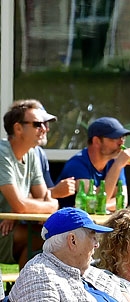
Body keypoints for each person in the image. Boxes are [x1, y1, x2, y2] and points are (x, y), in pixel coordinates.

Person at [7, 207, 130, 302]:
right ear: (72, 241)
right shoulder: (39, 276)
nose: (97, 245)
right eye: (93, 237)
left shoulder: (97, 274)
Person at [1, 100, 75, 265]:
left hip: (13, 228)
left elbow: (46, 200)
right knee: (51, 240)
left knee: (52, 238)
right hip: (4, 228)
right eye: (37, 124)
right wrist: (22, 207)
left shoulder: (31, 154)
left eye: (44, 124)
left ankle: (27, 281)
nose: (45, 129)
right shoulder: (2, 154)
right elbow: (21, 205)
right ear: (18, 128)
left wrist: (42, 204)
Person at [56, 117, 130, 209]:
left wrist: (103, 206)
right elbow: (95, 202)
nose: (121, 143)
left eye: (123, 138)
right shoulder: (76, 164)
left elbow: (122, 201)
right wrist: (117, 166)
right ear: (96, 141)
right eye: (115, 138)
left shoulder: (115, 161)